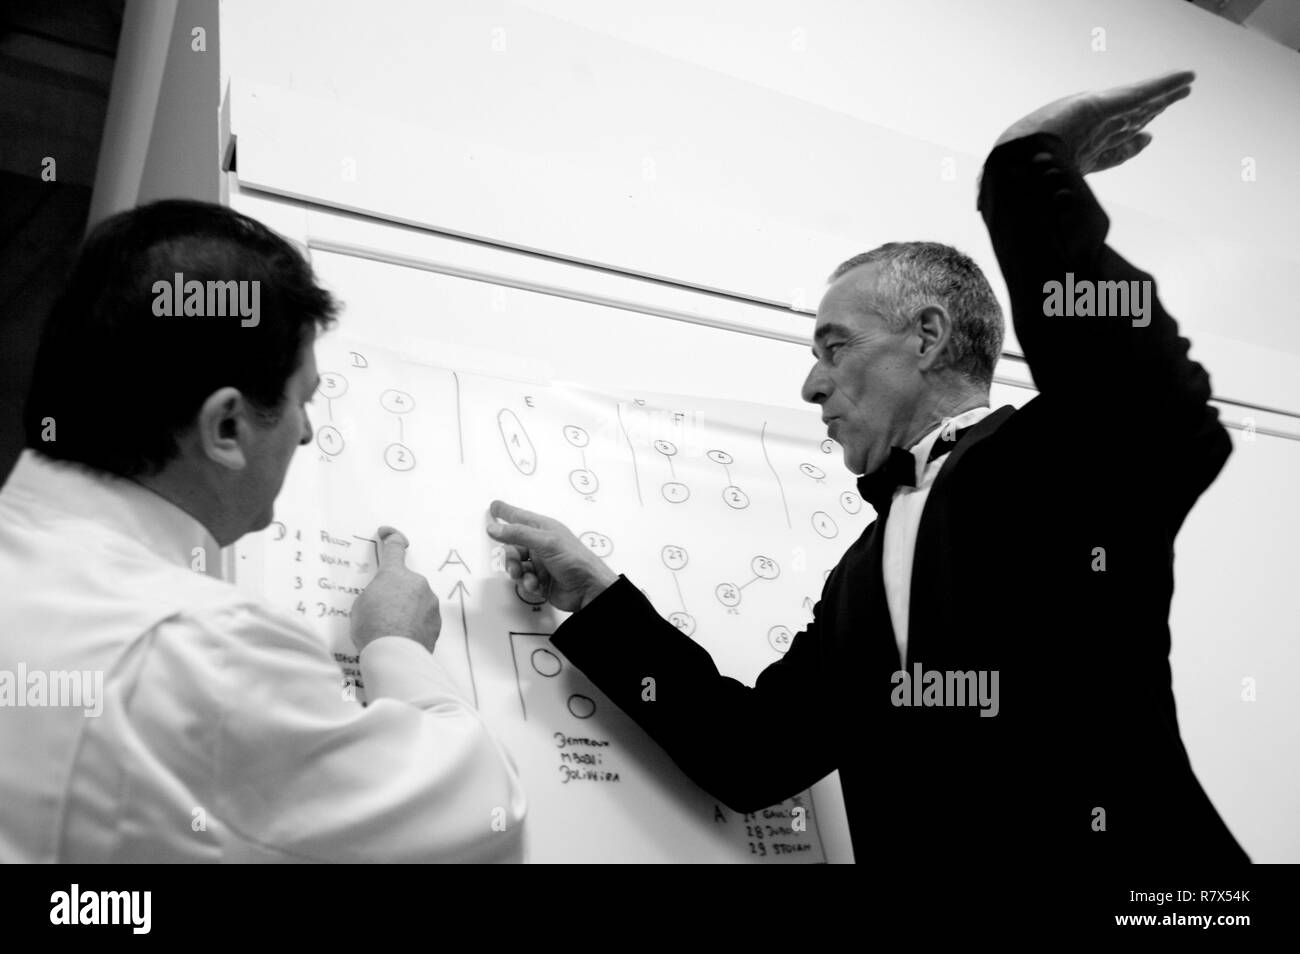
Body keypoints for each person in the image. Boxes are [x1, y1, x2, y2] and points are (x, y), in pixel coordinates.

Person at [487, 71, 1249, 864]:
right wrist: (595, 598)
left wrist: (1021, 173)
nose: (812, 384)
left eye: (835, 347)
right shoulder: (864, 575)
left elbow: (1157, 403)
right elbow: (751, 754)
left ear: (925, 337)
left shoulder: (1057, 463)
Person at [0, 200, 525, 862]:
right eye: (303, 400)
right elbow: (489, 821)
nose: (307, 431)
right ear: (227, 427)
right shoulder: (200, 652)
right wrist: (396, 645)